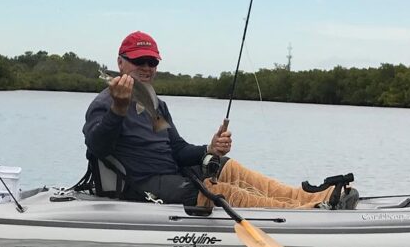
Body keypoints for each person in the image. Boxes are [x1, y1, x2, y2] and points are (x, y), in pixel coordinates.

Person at [83, 31, 358, 209]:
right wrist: (119, 108)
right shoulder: (103, 104)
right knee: (222, 191)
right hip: (142, 186)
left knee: (228, 167)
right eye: (139, 61)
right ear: (120, 63)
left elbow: (176, 149)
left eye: (152, 62)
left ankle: (312, 198)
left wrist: (209, 149)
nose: (146, 68)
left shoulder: (155, 102)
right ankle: (308, 213)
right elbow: (98, 147)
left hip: (174, 174)